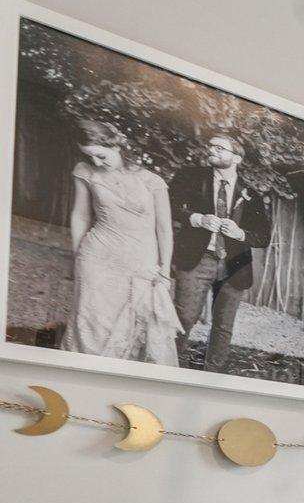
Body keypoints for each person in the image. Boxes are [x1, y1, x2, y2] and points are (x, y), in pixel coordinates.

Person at [63, 119, 179, 365]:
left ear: (115, 145)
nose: (96, 162)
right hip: (97, 259)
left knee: (135, 328)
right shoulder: (85, 171)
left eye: (100, 156)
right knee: (91, 325)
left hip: (140, 262)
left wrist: (165, 271)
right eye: (90, 156)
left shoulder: (152, 181)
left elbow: (164, 229)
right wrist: (77, 259)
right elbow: (81, 215)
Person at [170, 131, 271, 370]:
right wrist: (196, 218)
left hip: (234, 265)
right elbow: (167, 205)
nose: (211, 150)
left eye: (219, 148)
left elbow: (264, 236)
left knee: (224, 326)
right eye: (210, 146)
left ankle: (211, 374)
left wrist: (240, 234)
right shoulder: (190, 177)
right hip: (197, 259)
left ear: (237, 158)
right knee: (184, 318)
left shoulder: (252, 194)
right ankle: (168, 367)